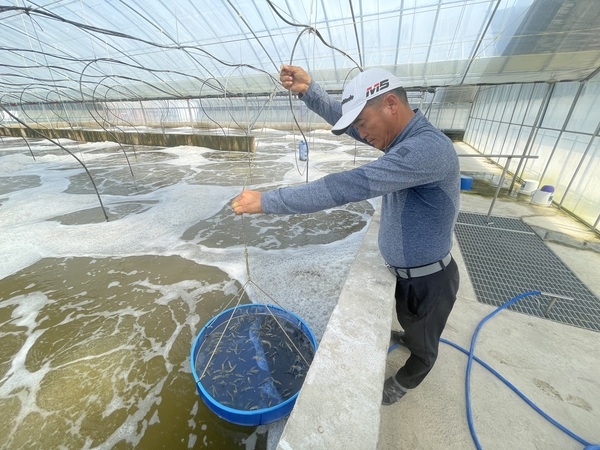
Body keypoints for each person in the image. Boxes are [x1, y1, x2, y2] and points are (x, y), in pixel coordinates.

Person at [232, 64, 460, 406]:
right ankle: (410, 336)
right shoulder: (403, 140)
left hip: (431, 281)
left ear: (391, 106)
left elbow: (346, 186)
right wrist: (310, 92)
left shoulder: (427, 149)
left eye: (363, 124)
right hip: (408, 274)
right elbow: (355, 121)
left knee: (425, 347)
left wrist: (267, 201)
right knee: (409, 321)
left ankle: (404, 381)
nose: (361, 134)